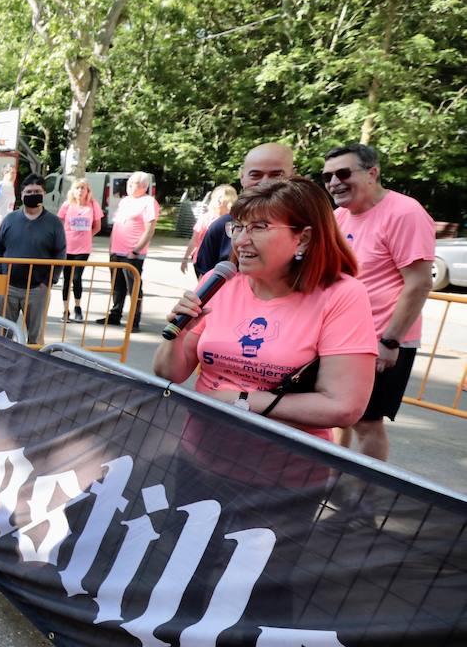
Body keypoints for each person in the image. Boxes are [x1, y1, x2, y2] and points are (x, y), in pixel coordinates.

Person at [153, 176, 376, 442]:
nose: (241, 241)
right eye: (237, 227)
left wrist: (241, 400)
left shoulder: (341, 295)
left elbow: (344, 407)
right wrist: (177, 335)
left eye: (259, 227)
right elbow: (170, 374)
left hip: (287, 469)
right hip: (200, 449)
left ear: (303, 238)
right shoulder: (219, 280)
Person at [324, 144, 436, 461]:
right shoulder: (339, 216)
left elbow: (419, 283)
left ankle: (365, 501)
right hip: (342, 339)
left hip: (381, 340)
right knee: (335, 411)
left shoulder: (405, 213)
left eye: (343, 173)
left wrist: (390, 340)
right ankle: (332, 480)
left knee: (366, 421)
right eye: (328, 176)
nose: (334, 182)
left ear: (372, 173)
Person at [194, 143, 295, 277]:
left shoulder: (307, 225)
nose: (265, 183)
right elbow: (204, 281)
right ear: (242, 178)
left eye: (276, 175)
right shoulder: (221, 227)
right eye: (256, 175)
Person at [0, 176, 66, 343]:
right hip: (7, 286)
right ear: (22, 194)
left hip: (37, 289)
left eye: (37, 191)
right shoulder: (10, 220)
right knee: (1, 334)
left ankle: (33, 368)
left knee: (35, 337)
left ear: (44, 193)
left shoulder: (54, 223)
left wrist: (49, 281)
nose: (33, 194)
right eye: (29, 191)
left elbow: (60, 253)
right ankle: (0, 366)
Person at [99, 172, 159, 327]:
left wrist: (137, 250)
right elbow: (117, 224)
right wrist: (111, 246)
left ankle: (134, 319)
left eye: (135, 183)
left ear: (144, 186)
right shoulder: (125, 201)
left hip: (132, 253)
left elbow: (149, 229)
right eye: (130, 182)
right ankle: (115, 314)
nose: (130, 185)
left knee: (134, 287)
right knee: (117, 285)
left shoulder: (149, 202)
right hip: (116, 251)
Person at [56, 177, 102, 321]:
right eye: (77, 188)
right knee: (67, 279)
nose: (80, 191)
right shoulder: (67, 205)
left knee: (77, 278)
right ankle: (65, 310)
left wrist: (87, 236)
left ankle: (77, 307)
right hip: (67, 248)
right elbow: (59, 224)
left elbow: (97, 226)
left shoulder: (93, 205)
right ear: (73, 191)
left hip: (83, 249)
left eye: (83, 188)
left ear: (88, 191)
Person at [182, 185, 237, 275]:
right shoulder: (206, 218)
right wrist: (185, 259)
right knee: (206, 287)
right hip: (204, 261)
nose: (220, 200)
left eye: (223, 196)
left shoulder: (236, 220)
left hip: (225, 263)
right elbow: (194, 240)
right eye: (218, 197)